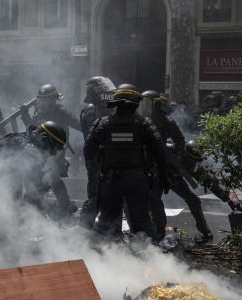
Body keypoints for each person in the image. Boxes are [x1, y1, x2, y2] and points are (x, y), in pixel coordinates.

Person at [83, 84, 170, 244]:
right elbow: (160, 153)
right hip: (137, 181)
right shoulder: (145, 124)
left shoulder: (102, 124)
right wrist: (164, 178)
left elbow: (88, 152)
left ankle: (104, 263)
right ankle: (153, 261)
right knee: (143, 223)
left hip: (111, 181)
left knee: (107, 226)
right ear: (136, 103)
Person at [0, 121, 76, 219]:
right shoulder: (28, 149)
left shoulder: (36, 147)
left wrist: (65, 206)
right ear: (48, 141)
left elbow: (53, 180)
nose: (55, 152)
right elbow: (19, 186)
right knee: (14, 213)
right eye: (57, 147)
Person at [165, 140, 240, 242]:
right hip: (157, 177)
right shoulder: (167, 150)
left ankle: (204, 231)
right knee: (153, 204)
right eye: (191, 163)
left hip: (175, 179)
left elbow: (209, 182)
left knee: (193, 200)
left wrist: (228, 200)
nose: (192, 167)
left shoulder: (191, 163)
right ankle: (155, 233)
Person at [138, 90, 186, 240]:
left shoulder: (165, 121)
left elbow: (180, 141)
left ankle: (159, 233)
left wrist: (174, 160)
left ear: (156, 105)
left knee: (155, 201)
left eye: (147, 103)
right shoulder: (139, 120)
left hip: (157, 165)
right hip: (140, 164)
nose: (144, 106)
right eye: (142, 103)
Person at [79, 76, 116, 228]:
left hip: (98, 156)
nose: (106, 92)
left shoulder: (96, 107)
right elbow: (97, 135)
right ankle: (83, 227)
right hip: (96, 158)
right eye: (102, 89)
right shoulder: (91, 110)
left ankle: (100, 226)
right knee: (96, 193)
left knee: (103, 192)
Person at [22, 84, 82, 178]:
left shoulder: (61, 111)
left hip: (58, 147)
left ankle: (60, 191)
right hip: (43, 146)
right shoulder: (38, 111)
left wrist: (91, 130)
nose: (43, 104)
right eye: (41, 101)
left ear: (53, 100)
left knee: (55, 175)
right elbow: (33, 128)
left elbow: (77, 124)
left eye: (46, 100)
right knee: (39, 173)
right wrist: (25, 114)